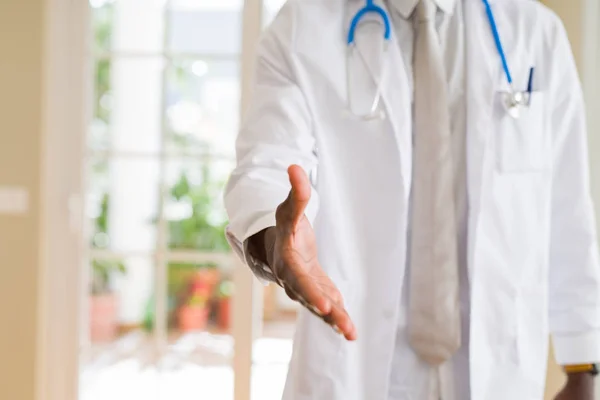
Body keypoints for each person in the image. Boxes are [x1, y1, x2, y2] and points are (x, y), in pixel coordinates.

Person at [224, 0, 600, 399]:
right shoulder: (303, 24)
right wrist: (276, 241)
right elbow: (266, 167)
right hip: (357, 362)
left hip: (494, 366)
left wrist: (584, 367)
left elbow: (567, 205)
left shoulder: (535, 31)